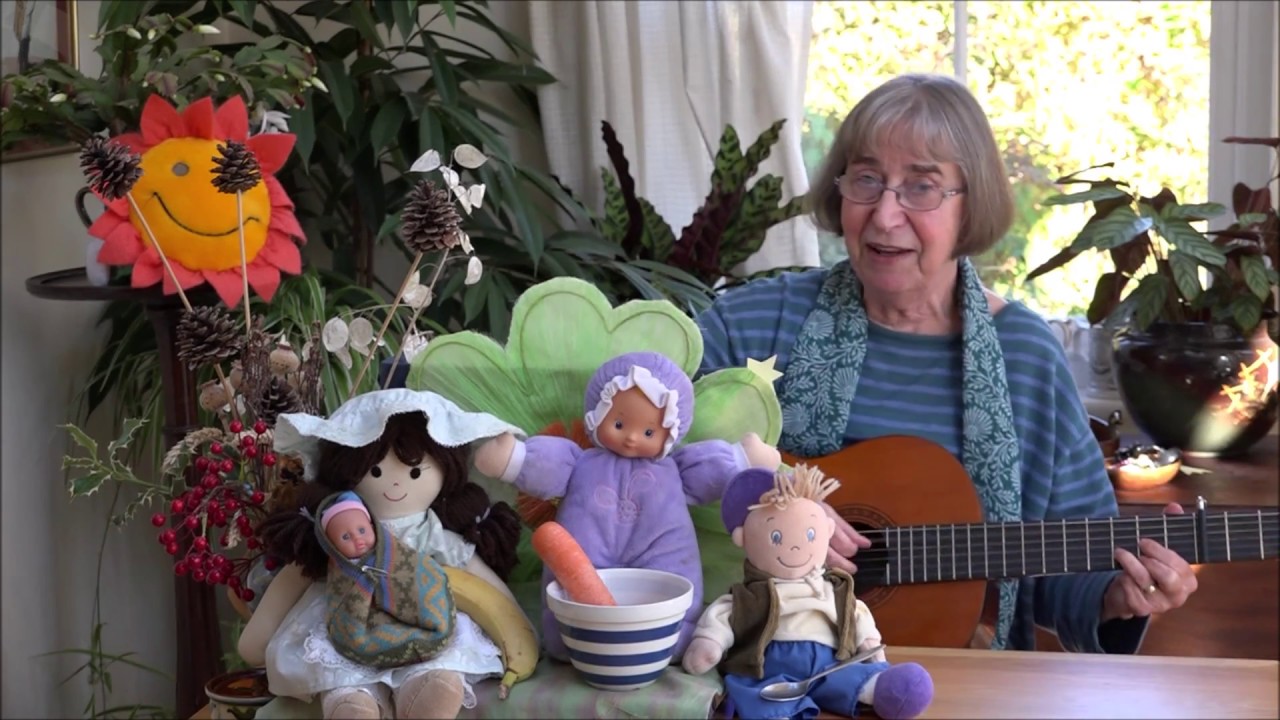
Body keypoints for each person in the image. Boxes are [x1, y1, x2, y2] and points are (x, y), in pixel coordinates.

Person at [694, 73, 1198, 653]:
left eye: (921, 188)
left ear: (970, 205)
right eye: (867, 180)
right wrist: (770, 497)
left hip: (955, 678)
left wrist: (1119, 598)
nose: (884, 216)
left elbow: (1068, 569)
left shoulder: (1025, 356)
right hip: (758, 669)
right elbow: (647, 464)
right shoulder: (750, 326)